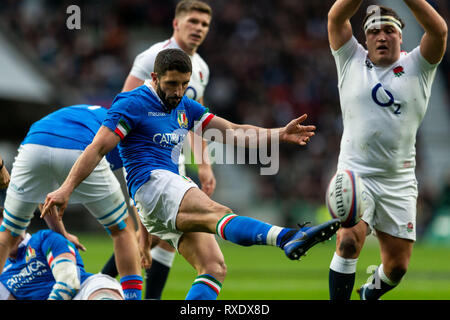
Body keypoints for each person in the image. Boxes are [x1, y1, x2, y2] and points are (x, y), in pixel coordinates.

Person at [42, 48, 341, 300]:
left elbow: (233, 132)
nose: (177, 91)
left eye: (183, 84)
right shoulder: (131, 103)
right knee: (218, 211)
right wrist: (66, 189)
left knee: (213, 267)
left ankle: (286, 238)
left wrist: (279, 133)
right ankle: (287, 237)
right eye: (171, 84)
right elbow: (96, 149)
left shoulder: (185, 104)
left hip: (162, 197)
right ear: (155, 78)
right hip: (153, 183)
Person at [326, 0, 447, 300]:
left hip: (399, 180)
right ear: (365, 39)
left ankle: (369, 293)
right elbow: (335, 16)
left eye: (389, 31)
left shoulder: (418, 66)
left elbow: (439, 30)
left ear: (400, 36)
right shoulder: (350, 58)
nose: (382, 36)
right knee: (348, 243)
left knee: (396, 268)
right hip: (356, 175)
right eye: (374, 32)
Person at [102, 0, 216, 300]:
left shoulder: (200, 68)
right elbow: (123, 104)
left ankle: (109, 286)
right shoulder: (152, 56)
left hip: (173, 156)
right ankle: (98, 284)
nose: (199, 29)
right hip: (144, 156)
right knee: (152, 235)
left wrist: (204, 164)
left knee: (164, 239)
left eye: (204, 24)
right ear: (176, 23)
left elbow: (197, 118)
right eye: (193, 22)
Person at [0, 105, 143, 300]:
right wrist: (144, 230)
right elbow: (137, 188)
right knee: (122, 229)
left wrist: (63, 235)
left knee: (7, 234)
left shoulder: (88, 114)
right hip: (78, 144)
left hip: (32, 146)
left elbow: (44, 196)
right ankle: (132, 297)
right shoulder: (133, 133)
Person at [0, 226, 124, 300]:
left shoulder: (44, 238)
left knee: (102, 293)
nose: (5, 237)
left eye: (6, 229)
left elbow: (69, 283)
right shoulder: (2, 270)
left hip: (82, 292)